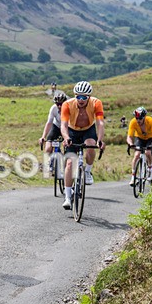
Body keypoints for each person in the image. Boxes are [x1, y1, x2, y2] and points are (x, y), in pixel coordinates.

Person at [60, 81, 105, 210]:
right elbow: (63, 125)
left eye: (84, 97)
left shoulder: (96, 103)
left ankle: (88, 172)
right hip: (72, 130)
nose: (81, 100)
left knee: (91, 146)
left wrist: (100, 140)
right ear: (75, 96)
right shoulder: (67, 104)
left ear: (89, 97)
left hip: (88, 129)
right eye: (78, 96)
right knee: (69, 163)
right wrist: (66, 137)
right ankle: (68, 197)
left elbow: (100, 123)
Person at [126, 107, 152, 186]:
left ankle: (150, 168)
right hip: (139, 138)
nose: (138, 120)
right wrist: (131, 144)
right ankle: (133, 177)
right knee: (137, 155)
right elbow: (129, 137)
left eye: (140, 118)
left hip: (150, 138)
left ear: (144, 117)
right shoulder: (133, 122)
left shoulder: (151, 120)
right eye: (136, 118)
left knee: (148, 152)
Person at [38, 91, 67, 174]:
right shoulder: (53, 108)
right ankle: (49, 163)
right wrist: (43, 136)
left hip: (67, 127)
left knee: (68, 148)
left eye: (61, 104)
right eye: (58, 104)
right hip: (56, 126)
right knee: (48, 147)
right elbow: (49, 123)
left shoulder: (69, 108)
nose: (59, 106)